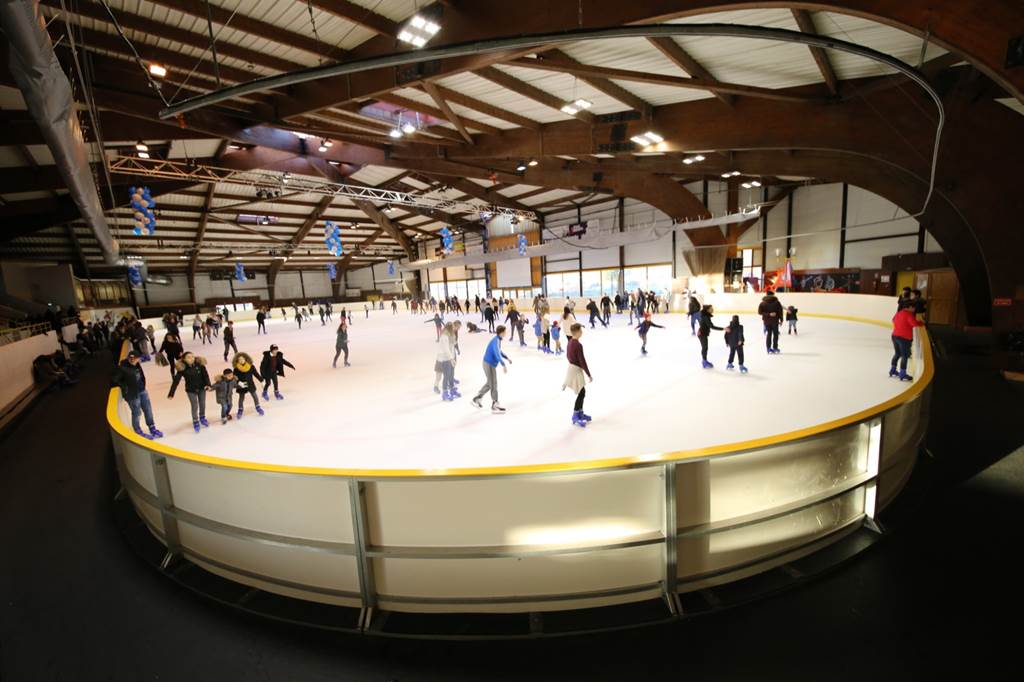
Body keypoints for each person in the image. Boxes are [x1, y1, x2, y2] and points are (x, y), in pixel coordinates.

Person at [113, 350, 163, 439]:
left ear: (138, 359)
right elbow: (115, 380)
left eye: (134, 358)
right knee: (137, 413)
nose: (132, 360)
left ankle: (152, 427)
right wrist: (125, 387)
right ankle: (137, 430)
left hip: (142, 391)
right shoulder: (122, 368)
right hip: (132, 394)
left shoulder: (137, 365)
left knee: (148, 410)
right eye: (130, 358)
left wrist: (143, 385)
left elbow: (141, 376)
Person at [168, 351, 212, 433]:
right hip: (191, 390)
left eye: (192, 356)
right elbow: (176, 381)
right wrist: (171, 393)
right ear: (184, 359)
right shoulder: (182, 368)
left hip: (202, 388)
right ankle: (195, 421)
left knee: (202, 403)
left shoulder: (200, 365)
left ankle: (202, 417)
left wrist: (208, 385)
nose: (191, 358)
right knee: (194, 405)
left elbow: (205, 376)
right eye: (189, 357)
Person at [471, 325, 510, 413]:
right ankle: (494, 404)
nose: (505, 333)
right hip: (488, 364)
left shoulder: (497, 340)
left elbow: (499, 351)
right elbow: (497, 354)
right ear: (501, 333)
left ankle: (477, 399)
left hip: (490, 364)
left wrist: (507, 358)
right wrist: (503, 364)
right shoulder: (496, 341)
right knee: (492, 383)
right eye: (505, 331)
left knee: (491, 383)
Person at [563, 323, 593, 427]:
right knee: (581, 392)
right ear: (577, 332)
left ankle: (580, 412)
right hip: (576, 370)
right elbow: (582, 361)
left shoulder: (570, 342)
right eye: (581, 330)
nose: (582, 332)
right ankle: (575, 415)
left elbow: (568, 355)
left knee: (582, 392)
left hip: (572, 368)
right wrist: (588, 374)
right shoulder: (578, 345)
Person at [890, 301, 923, 381]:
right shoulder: (909, 314)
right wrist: (921, 323)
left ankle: (893, 370)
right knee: (904, 356)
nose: (914, 309)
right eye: (914, 308)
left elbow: (893, 320)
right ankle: (902, 374)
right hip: (904, 338)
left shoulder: (899, 313)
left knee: (897, 354)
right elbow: (914, 324)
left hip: (895, 336)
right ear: (910, 307)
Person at [231, 352, 264, 418]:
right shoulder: (236, 369)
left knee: (254, 396)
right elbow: (234, 377)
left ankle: (258, 407)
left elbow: (256, 374)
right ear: (237, 361)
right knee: (241, 397)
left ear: (245, 359)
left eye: (242, 359)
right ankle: (240, 409)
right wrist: (239, 382)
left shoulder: (251, 367)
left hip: (250, 384)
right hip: (242, 385)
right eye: (239, 359)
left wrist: (262, 380)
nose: (241, 360)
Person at [435, 322, 460, 401]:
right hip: (445, 359)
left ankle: (452, 389)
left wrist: (453, 358)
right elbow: (446, 349)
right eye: (453, 327)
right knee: (446, 376)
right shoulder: (444, 336)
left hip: (451, 357)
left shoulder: (450, 335)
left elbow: (453, 346)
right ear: (449, 328)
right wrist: (451, 359)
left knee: (451, 375)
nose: (454, 328)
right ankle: (445, 393)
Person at [696, 304, 723, 368]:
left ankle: (704, 360)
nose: (712, 309)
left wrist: (700, 328)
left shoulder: (704, 315)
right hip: (702, 334)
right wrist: (723, 329)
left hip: (702, 333)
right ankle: (704, 362)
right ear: (707, 310)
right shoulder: (705, 317)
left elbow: (701, 323)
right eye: (711, 308)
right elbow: (711, 326)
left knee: (705, 347)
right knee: (704, 347)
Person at [758, 289, 784, 354]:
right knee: (775, 334)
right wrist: (781, 320)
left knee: (769, 334)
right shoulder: (777, 303)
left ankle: (768, 348)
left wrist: (768, 314)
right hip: (775, 321)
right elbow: (780, 312)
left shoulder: (762, 303)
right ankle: (775, 348)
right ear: (773, 295)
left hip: (766, 321)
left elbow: (760, 312)